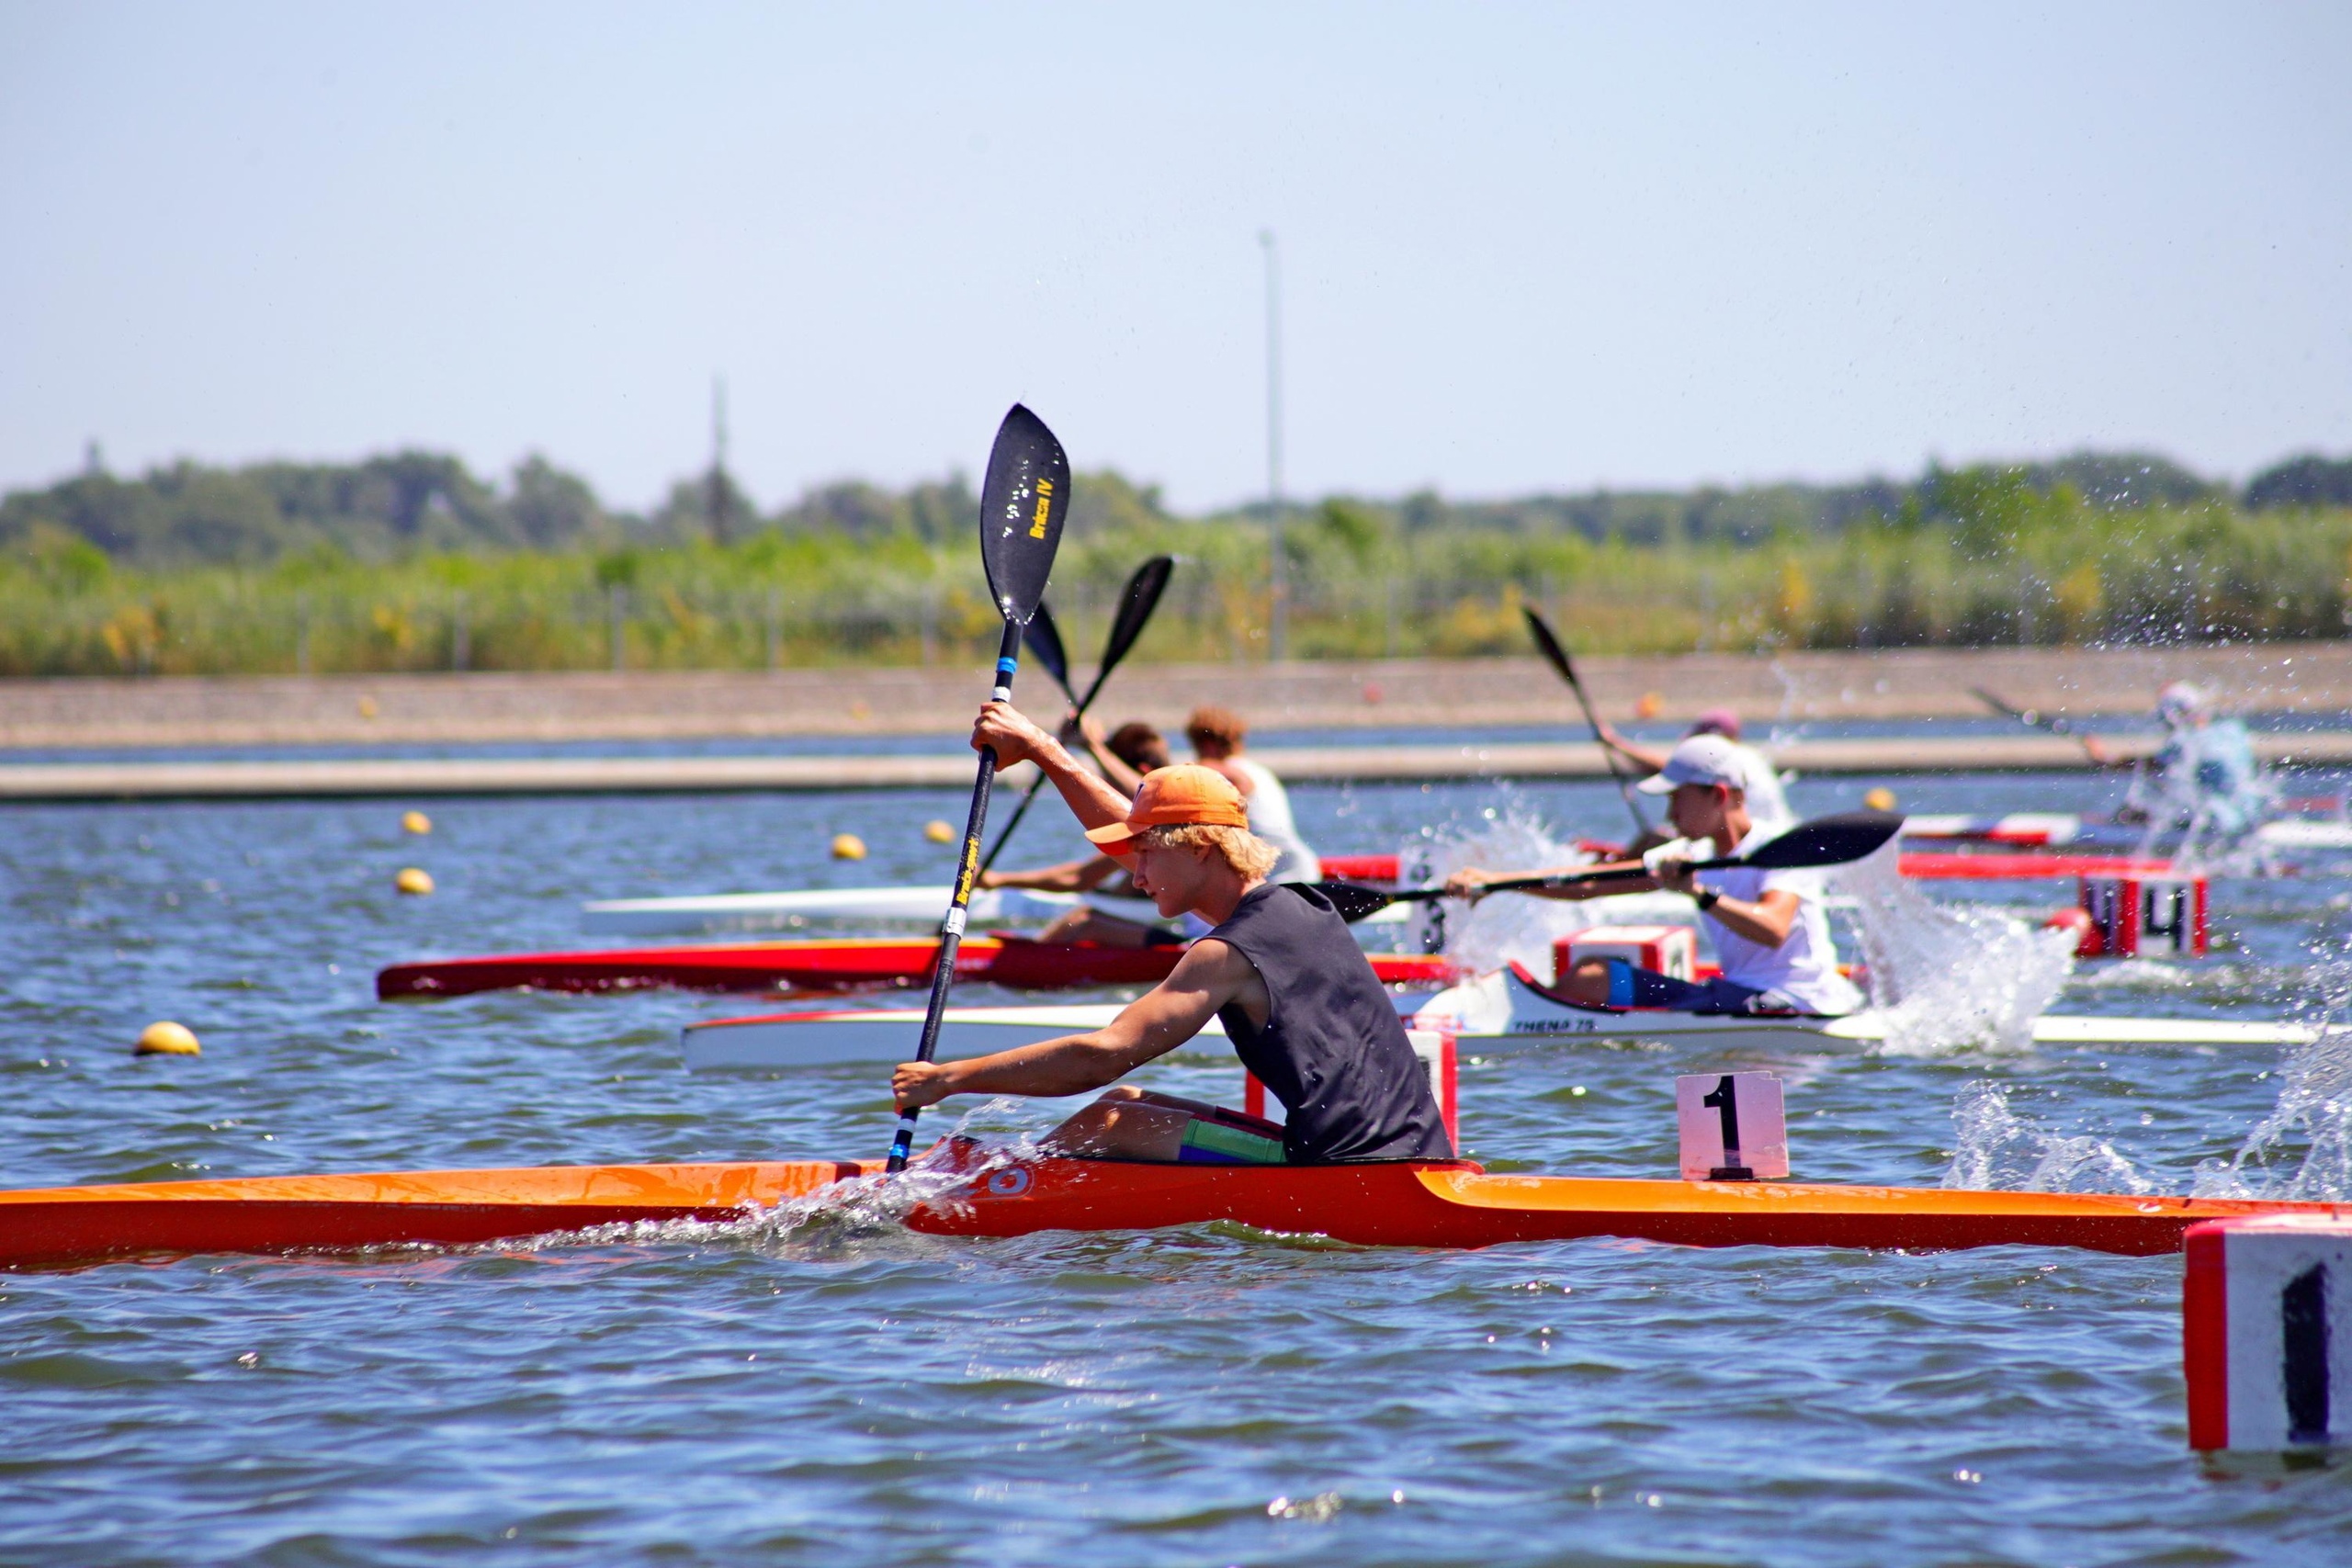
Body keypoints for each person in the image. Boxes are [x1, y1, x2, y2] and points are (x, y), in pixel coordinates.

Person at [891, 703, 1453, 1165]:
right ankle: (1009, 1177)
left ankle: (993, 1190)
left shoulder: (1223, 955)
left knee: (1107, 1116)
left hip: (1350, 1167)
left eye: (1146, 858)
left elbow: (1100, 1056)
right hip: (1410, 1152)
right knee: (1126, 1103)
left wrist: (947, 1078)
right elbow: (1135, 838)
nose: (1133, 876)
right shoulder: (1303, 904)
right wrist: (1043, 749)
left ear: (1202, 850)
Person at [1442, 733, 1861, 1017]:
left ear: (1717, 796)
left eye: (1677, 799)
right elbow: (1590, 883)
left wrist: (1699, 895)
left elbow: (1772, 928)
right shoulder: (1691, 854)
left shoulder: (1778, 849)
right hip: (1737, 994)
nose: (1670, 815)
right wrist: (1496, 881)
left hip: (1795, 1002)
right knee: (1593, 977)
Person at [978, 720, 1189, 947]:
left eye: (1107, 780)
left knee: (1083, 921)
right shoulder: (1162, 827)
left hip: (1190, 944)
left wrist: (998, 880)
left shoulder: (1166, 824)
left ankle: (1023, 963)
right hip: (1178, 928)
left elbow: (1079, 877)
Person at [2085, 682, 2267, 838]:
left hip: (2217, 823)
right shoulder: (2233, 730)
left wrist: (2105, 760)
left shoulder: (2185, 741)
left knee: (2138, 808)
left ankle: (2113, 832)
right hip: (2250, 815)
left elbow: (2145, 766)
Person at [1594, 706, 1792, 830]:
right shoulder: (1751, 756)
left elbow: (1666, 771)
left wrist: (1614, 743)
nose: (1671, 814)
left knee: (1653, 841)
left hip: (1750, 841)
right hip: (1768, 833)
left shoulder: (1723, 761)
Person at [1183, 705, 1321, 882]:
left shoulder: (1229, 772)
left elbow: (1241, 782)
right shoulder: (1257, 769)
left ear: (1206, 745)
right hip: (1300, 866)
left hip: (1282, 874)